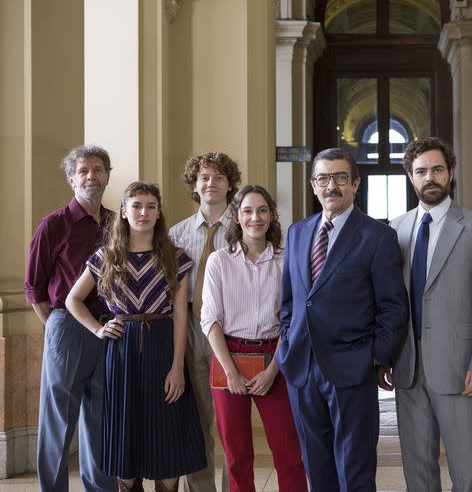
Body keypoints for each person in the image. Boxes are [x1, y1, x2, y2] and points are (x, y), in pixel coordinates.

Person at [277, 148, 408, 491]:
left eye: (339, 178)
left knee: (354, 467)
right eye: (323, 178)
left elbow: (393, 306)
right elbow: (290, 301)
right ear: (313, 185)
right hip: (303, 367)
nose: (330, 186)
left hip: (352, 366)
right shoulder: (298, 232)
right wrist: (288, 341)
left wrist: (375, 356)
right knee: (317, 467)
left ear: (355, 184)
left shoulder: (378, 237)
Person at [66, 181, 206, 492]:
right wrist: (98, 328)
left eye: (151, 206)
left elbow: (181, 315)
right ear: (124, 212)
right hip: (122, 351)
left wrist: (177, 367)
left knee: (167, 434)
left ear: (159, 213)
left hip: (163, 345)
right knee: (125, 434)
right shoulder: (107, 257)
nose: (144, 212)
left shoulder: (174, 256)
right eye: (137, 206)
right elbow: (72, 300)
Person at [384, 137, 472, 492]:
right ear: (410, 177)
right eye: (421, 171)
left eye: (437, 169)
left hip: (461, 368)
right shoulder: (395, 228)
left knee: (467, 473)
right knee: (417, 473)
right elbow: (390, 301)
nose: (429, 177)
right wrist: (385, 356)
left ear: (450, 172)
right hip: (408, 367)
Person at [201, 185, 307, 492]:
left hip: (275, 357)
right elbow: (210, 320)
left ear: (272, 216)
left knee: (288, 453)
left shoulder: (287, 262)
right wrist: (231, 372)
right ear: (236, 216)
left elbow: (294, 321)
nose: (255, 218)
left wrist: (273, 370)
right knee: (237, 455)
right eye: (247, 211)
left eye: (262, 210)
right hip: (228, 356)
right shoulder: (219, 261)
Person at [24, 144, 116, 492]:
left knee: (101, 418)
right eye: (83, 171)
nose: (91, 176)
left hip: (108, 328)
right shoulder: (53, 225)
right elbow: (34, 287)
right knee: (58, 419)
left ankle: (102, 487)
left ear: (107, 175)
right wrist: (57, 328)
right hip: (66, 325)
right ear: (71, 179)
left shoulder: (116, 223)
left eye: (98, 170)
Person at [169, 151, 241, 492]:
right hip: (191, 329)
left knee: (230, 422)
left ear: (230, 185)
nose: (211, 183)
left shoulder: (245, 226)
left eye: (218, 178)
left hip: (232, 331)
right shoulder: (177, 234)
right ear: (194, 186)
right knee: (196, 422)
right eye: (204, 178)